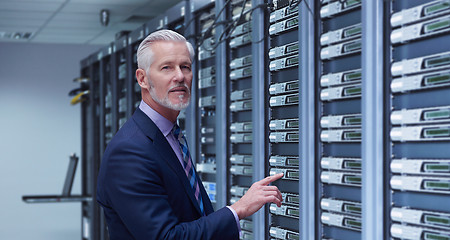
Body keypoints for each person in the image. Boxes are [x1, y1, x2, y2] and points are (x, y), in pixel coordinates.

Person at [96, 29, 284, 240]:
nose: (179, 76)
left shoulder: (170, 136)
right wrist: (238, 210)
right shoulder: (129, 152)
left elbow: (192, 216)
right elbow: (167, 237)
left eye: (185, 67)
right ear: (143, 79)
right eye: (166, 67)